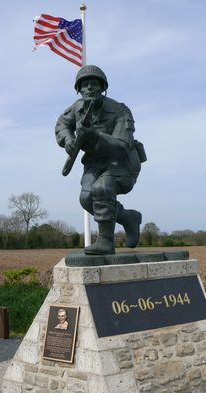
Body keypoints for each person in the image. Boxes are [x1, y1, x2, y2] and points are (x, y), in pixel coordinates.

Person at [55, 65, 146, 255]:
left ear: (102, 88)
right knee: (87, 198)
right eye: (85, 85)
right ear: (79, 90)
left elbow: (122, 144)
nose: (89, 88)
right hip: (94, 163)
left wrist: (95, 136)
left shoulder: (120, 110)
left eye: (94, 84)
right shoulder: (77, 108)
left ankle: (105, 241)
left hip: (123, 163)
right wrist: (69, 141)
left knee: (102, 189)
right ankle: (128, 218)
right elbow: (62, 125)